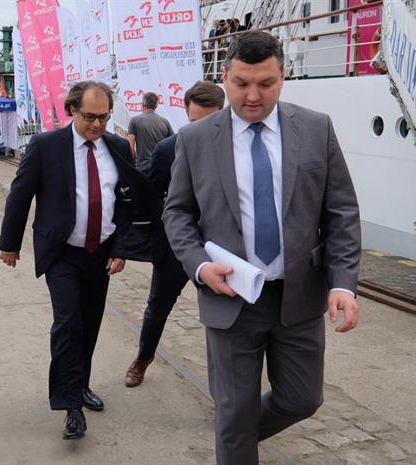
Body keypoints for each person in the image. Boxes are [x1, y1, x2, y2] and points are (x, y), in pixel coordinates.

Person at [162, 31, 361, 465]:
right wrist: (200, 266)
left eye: (266, 84)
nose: (253, 96)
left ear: (283, 76)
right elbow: (176, 213)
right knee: (234, 412)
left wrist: (343, 284)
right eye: (241, 83)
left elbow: (341, 211)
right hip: (231, 296)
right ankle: (234, 437)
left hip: (299, 295)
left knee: (302, 399)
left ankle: (234, 437)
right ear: (225, 77)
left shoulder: (316, 128)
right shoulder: (195, 139)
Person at [0, 81, 159, 441]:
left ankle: (81, 384)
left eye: (104, 117)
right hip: (62, 252)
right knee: (68, 324)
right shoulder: (46, 146)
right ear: (72, 110)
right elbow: (20, 195)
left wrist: (121, 249)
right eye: (89, 117)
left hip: (100, 253)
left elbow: (127, 203)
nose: (97, 124)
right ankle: (70, 405)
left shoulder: (118, 147)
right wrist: (10, 244)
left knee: (89, 324)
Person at [125, 81, 225, 388]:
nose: (203, 129)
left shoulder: (235, 148)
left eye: (211, 120)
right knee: (158, 307)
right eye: (195, 122)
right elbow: (153, 195)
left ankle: (226, 384)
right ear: (185, 114)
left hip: (220, 248)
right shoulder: (168, 149)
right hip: (176, 246)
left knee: (224, 317)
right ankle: (143, 358)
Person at [126, 92, 173, 174]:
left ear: (143, 104)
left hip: (143, 169)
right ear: (156, 105)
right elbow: (173, 145)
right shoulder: (165, 122)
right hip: (160, 169)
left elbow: (130, 148)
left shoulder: (134, 120)